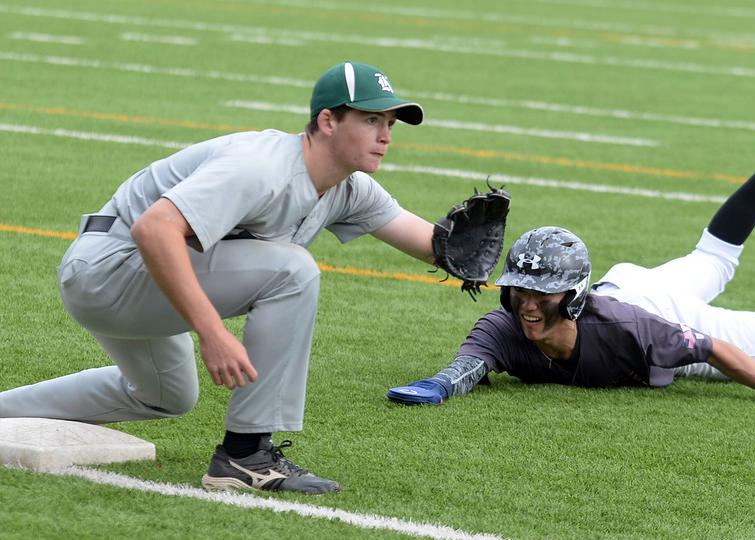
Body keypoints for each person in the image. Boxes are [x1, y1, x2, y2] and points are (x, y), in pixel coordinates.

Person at [0, 61, 445, 494]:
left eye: (389, 123)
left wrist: (501, 258)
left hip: (138, 279)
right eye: (371, 119)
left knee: (164, 396)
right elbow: (154, 229)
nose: (385, 135)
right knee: (292, 270)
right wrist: (212, 332)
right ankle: (245, 456)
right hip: (109, 269)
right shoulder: (261, 166)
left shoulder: (348, 187)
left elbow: (436, 245)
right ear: (328, 120)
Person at [388, 110, 755, 410]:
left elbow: (713, 347)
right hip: (627, 285)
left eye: (539, 294)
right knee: (714, 259)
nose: (524, 303)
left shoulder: (628, 330)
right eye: (519, 289)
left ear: (571, 297)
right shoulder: (504, 326)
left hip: (652, 310)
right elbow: (463, 368)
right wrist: (431, 388)